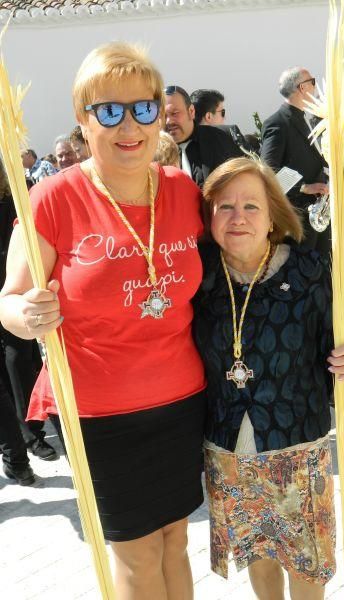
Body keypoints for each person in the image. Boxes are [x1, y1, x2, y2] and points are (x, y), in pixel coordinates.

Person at [0, 42, 207, 600]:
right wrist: (28, 313)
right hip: (99, 409)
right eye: (109, 111)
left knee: (175, 540)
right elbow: (9, 302)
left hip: (183, 399)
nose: (130, 126)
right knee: (136, 553)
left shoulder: (186, 192)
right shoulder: (51, 199)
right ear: (82, 119)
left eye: (143, 108)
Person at [195, 157, 344, 600]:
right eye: (225, 207)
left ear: (273, 213)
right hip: (227, 444)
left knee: (307, 558)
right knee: (257, 549)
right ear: (208, 216)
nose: (238, 218)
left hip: (297, 443)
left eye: (251, 206)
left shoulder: (309, 270)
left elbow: (338, 338)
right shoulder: (199, 276)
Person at [0, 158, 57, 461]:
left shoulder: (21, 193)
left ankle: (31, 431)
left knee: (22, 354)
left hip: (17, 285)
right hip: (14, 286)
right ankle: (24, 437)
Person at [260, 66, 329, 252]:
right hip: (298, 213)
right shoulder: (278, 122)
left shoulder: (304, 118)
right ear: (302, 87)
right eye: (312, 82)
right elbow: (267, 171)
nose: (315, 87)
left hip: (317, 209)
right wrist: (305, 188)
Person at [164, 85, 242, 187]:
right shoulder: (152, 153)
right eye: (162, 116)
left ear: (191, 112)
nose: (168, 121)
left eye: (175, 113)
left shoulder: (224, 138)